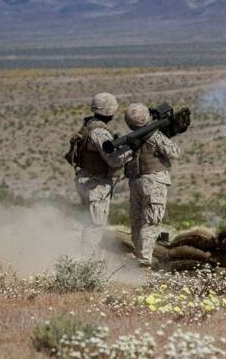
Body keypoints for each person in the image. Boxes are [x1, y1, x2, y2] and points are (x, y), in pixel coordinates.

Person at [66, 92, 130, 252]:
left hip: (86, 179)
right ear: (110, 111)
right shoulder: (99, 132)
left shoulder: (89, 125)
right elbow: (113, 160)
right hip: (95, 183)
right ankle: (85, 262)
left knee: (92, 222)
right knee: (96, 225)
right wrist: (130, 150)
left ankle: (85, 259)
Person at [123, 102, 179, 267]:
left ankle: (139, 254)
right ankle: (144, 261)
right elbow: (175, 152)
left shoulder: (130, 138)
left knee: (138, 220)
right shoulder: (154, 135)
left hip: (136, 182)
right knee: (151, 221)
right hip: (154, 182)